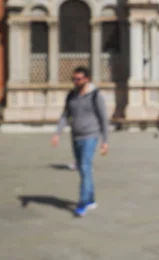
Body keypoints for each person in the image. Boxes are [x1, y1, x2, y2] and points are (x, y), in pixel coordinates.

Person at [52, 66, 109, 217]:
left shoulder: (95, 95)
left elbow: (104, 118)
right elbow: (65, 115)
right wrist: (57, 133)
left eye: (78, 79)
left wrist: (105, 141)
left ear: (86, 79)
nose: (75, 82)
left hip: (90, 136)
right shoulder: (71, 95)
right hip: (75, 136)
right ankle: (91, 199)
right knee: (84, 170)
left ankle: (82, 203)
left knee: (84, 167)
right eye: (73, 79)